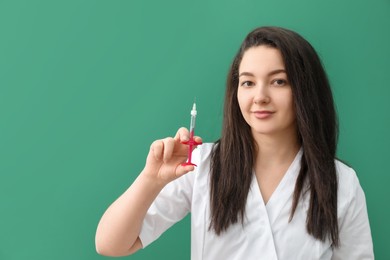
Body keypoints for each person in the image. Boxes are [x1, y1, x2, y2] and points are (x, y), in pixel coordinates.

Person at [95, 26, 374, 259]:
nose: (259, 97)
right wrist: (150, 179)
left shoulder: (341, 183)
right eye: (248, 83)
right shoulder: (201, 164)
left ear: (305, 90)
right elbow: (110, 244)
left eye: (278, 82)